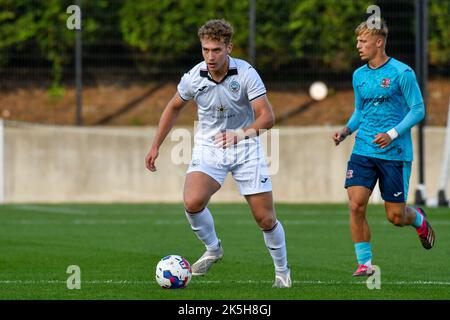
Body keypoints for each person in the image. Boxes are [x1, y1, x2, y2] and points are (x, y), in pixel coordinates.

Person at [145, 19, 291, 288]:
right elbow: (173, 107)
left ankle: (282, 271)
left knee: (265, 218)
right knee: (192, 201)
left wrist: (240, 134)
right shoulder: (194, 77)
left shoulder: (246, 74)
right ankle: (213, 248)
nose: (210, 57)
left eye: (216, 50)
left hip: (245, 146)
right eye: (205, 50)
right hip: (210, 147)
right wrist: (156, 145)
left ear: (229, 48)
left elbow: (267, 117)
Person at [332, 19, 435, 276]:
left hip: (394, 154)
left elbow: (418, 110)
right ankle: (365, 263)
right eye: (358, 41)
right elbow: (360, 111)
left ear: (379, 42)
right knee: (356, 205)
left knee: (396, 217)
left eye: (363, 41)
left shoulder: (403, 73)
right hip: (363, 150)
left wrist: (391, 134)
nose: (358, 46)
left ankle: (418, 219)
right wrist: (346, 130)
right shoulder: (359, 75)